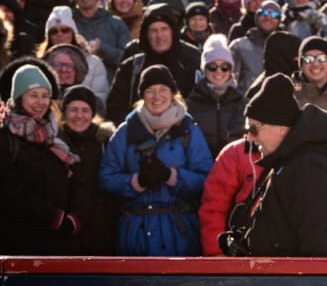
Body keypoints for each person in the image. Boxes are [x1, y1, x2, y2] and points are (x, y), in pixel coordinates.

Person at [224, 73, 327, 257]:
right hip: (284, 283)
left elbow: (320, 247)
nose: (250, 138)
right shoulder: (290, 162)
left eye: (254, 129)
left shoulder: (308, 168)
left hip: (301, 284)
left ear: (281, 127)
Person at [98, 65, 214, 256]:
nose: (156, 96)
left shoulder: (188, 130)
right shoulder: (126, 132)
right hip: (135, 231)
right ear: (142, 95)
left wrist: (172, 176)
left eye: (163, 90)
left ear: (173, 93)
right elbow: (105, 178)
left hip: (179, 230)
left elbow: (206, 179)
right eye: (150, 91)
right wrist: (136, 182)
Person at [0, 61, 85, 255]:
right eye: (33, 95)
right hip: (18, 243)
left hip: (57, 242)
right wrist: (54, 218)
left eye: (45, 96)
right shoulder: (6, 138)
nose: (41, 102)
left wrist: (74, 218)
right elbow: (10, 191)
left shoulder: (55, 134)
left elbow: (76, 178)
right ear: (19, 98)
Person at [107, 3, 203, 123]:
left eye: (164, 29)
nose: (159, 36)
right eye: (153, 30)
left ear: (173, 32)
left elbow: (200, 105)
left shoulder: (191, 62)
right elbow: (115, 108)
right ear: (146, 35)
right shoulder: (131, 67)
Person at [58, 84, 119, 255]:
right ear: (64, 112)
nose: (79, 116)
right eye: (73, 110)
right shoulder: (55, 142)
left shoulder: (105, 143)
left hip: (100, 227)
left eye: (85, 110)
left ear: (93, 113)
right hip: (65, 226)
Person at [198, 137, 263, 256]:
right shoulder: (235, 153)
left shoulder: (299, 152)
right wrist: (216, 252)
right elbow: (214, 206)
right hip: (238, 251)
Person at [186, 35, 245, 159]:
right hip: (201, 172)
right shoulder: (190, 105)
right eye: (212, 66)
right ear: (204, 69)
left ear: (230, 70)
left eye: (224, 67)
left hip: (233, 170)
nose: (219, 72)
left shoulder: (242, 103)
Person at [72, 0, 131, 79]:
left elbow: (128, 58)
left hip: (110, 85)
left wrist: (102, 48)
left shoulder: (115, 23)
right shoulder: (69, 23)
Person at [231, 0, 283, 93]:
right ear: (257, 16)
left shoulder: (286, 47)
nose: (268, 17)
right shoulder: (239, 46)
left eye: (274, 15)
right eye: (264, 13)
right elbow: (230, 78)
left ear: (279, 20)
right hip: (246, 101)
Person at [294, 36, 327, 122]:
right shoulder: (290, 99)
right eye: (308, 59)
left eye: (321, 58)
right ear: (301, 64)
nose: (315, 64)